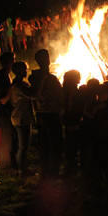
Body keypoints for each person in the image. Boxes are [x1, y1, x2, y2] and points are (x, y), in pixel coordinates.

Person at [28, 49, 64, 179]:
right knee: (56, 144)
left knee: (44, 145)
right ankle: (53, 172)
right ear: (48, 60)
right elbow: (60, 97)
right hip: (51, 114)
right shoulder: (51, 79)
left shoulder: (33, 78)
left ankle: (44, 170)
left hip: (40, 114)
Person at [10, 61, 34, 176]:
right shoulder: (18, 87)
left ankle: (22, 167)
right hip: (21, 118)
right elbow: (32, 95)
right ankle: (22, 169)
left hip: (22, 117)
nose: (26, 71)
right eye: (25, 69)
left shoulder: (21, 84)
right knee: (23, 146)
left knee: (23, 145)